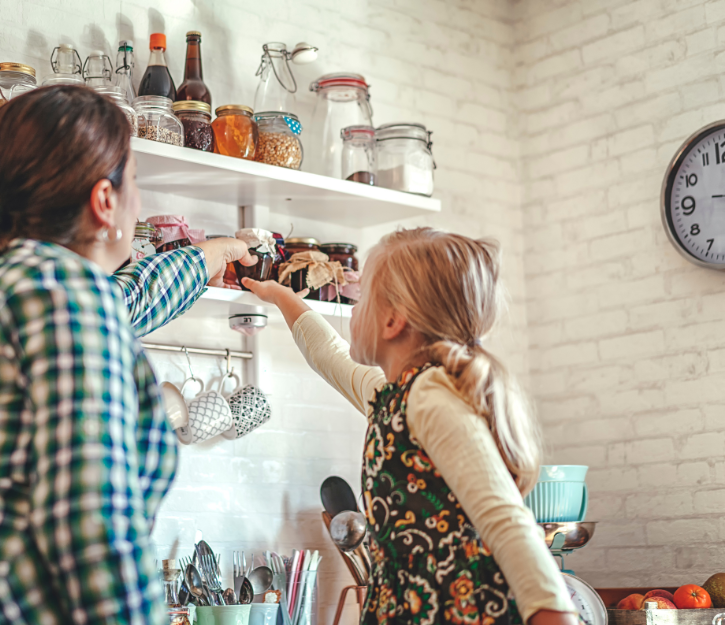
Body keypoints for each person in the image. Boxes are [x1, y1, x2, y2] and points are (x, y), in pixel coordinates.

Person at [0, 85, 254, 625]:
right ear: (104, 201)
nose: (138, 199)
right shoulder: (66, 294)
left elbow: (132, 299)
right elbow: (94, 526)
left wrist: (212, 254)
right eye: (135, 181)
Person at [243, 228, 577, 625]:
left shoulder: (429, 395)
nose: (352, 308)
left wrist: (557, 616)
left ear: (393, 320)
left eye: (361, 298)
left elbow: (506, 520)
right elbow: (328, 356)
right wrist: (279, 295)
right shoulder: (391, 395)